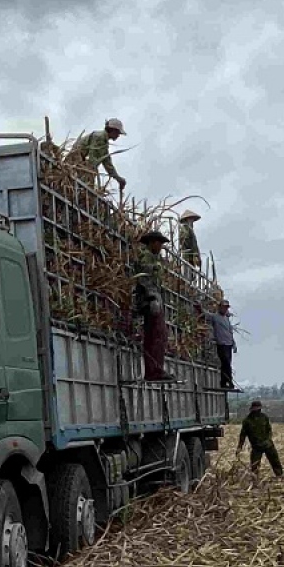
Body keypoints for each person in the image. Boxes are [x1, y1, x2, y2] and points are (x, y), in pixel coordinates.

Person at [131, 229, 175, 382]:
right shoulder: (146, 258)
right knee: (155, 336)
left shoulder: (153, 258)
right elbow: (144, 279)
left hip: (154, 299)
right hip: (150, 301)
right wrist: (152, 298)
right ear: (152, 243)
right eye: (159, 243)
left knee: (159, 336)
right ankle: (153, 371)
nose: (161, 246)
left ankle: (156, 369)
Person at [68, 118, 127, 192]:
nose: (118, 135)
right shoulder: (99, 137)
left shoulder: (103, 141)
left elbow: (107, 162)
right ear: (113, 130)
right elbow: (92, 161)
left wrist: (118, 178)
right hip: (74, 162)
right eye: (118, 133)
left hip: (78, 163)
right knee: (90, 174)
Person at [237, 400, 283, 477]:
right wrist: (239, 447)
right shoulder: (247, 421)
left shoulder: (264, 417)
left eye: (258, 409)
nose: (257, 411)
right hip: (256, 447)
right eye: (256, 410)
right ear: (252, 410)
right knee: (255, 465)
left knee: (275, 461)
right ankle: (255, 479)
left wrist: (268, 439)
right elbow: (242, 435)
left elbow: (269, 430)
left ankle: (280, 475)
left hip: (268, 445)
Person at [204, 299, 237, 390]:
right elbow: (206, 315)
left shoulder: (227, 319)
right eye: (223, 307)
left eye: (226, 307)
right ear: (220, 307)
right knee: (225, 362)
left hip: (228, 344)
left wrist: (234, 344)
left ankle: (224, 382)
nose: (225, 309)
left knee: (227, 363)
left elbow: (230, 332)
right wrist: (199, 308)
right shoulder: (215, 317)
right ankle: (228, 381)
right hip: (221, 344)